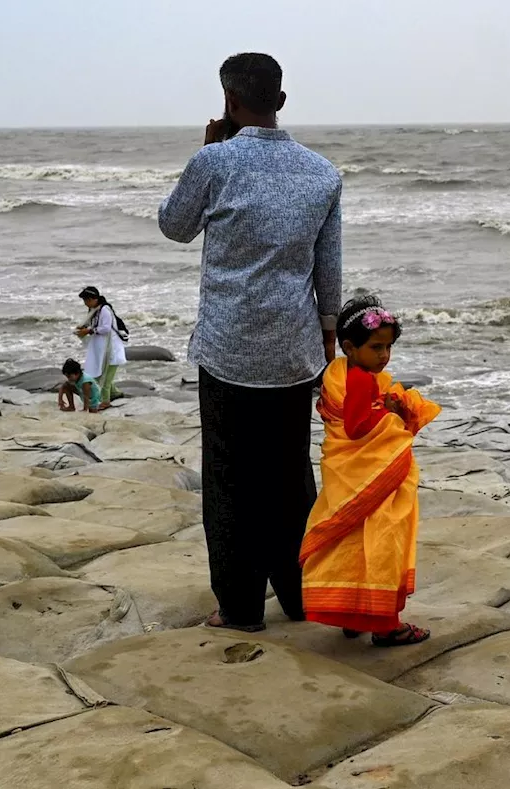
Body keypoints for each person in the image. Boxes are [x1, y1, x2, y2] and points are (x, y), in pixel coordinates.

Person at [159, 52, 342, 632]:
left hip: (229, 347)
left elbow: (175, 226)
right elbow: (328, 266)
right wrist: (329, 333)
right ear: (281, 103)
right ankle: (299, 594)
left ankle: (239, 607)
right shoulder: (322, 172)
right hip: (293, 352)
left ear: (230, 102)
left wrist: (206, 148)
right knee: (291, 475)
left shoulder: (215, 161)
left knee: (230, 478)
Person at [300, 297, 440, 646]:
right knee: (382, 544)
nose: (384, 355)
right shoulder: (362, 380)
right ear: (349, 346)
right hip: (369, 474)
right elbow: (358, 428)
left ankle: (355, 615)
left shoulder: (341, 373)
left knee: (355, 545)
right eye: (376, 347)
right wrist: (392, 415)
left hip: (349, 477)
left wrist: (385, 404)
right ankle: (387, 624)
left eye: (389, 347)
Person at [75, 286, 127, 409]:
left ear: (94, 299)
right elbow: (94, 326)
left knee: (105, 379)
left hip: (112, 351)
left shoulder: (104, 310)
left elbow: (106, 328)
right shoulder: (94, 310)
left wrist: (88, 331)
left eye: (87, 300)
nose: (85, 303)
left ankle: (105, 402)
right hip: (103, 351)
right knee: (101, 374)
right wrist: (83, 329)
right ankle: (116, 394)